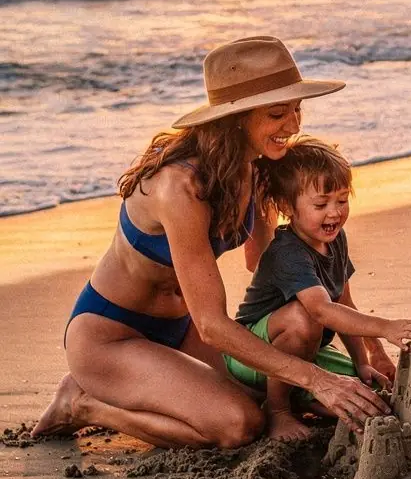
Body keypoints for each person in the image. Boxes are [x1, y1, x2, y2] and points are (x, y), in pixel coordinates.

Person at [33, 38, 390, 449]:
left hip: (182, 327)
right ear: (236, 118)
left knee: (272, 391)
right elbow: (213, 325)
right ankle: (82, 403)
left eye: (296, 110)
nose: (293, 126)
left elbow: (269, 263)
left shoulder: (256, 170)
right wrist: (318, 378)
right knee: (238, 425)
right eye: (277, 113)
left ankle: (143, 387)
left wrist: (365, 350)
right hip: (112, 335)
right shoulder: (178, 187)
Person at [225, 136, 411, 439]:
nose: (334, 213)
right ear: (286, 206)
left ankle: (297, 394)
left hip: (307, 354)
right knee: (302, 318)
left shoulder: (335, 240)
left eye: (342, 200)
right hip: (254, 355)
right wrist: (386, 327)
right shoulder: (287, 253)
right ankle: (278, 409)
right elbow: (321, 310)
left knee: (370, 399)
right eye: (321, 204)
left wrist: (367, 359)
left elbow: (344, 303)